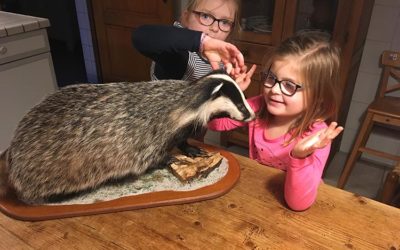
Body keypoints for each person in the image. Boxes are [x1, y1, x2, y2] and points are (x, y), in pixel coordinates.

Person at [208, 31, 344, 211]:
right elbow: (215, 124)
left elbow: (298, 204)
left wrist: (300, 156)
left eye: (289, 85)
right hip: (259, 194)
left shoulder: (316, 137)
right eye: (271, 78)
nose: (274, 90)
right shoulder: (258, 106)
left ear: (318, 96)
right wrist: (230, 95)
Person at [132, 0, 255, 83]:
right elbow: (141, 36)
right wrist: (201, 42)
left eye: (225, 22)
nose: (215, 28)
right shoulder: (181, 55)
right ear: (186, 17)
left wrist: (232, 88)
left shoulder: (224, 61)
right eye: (205, 16)